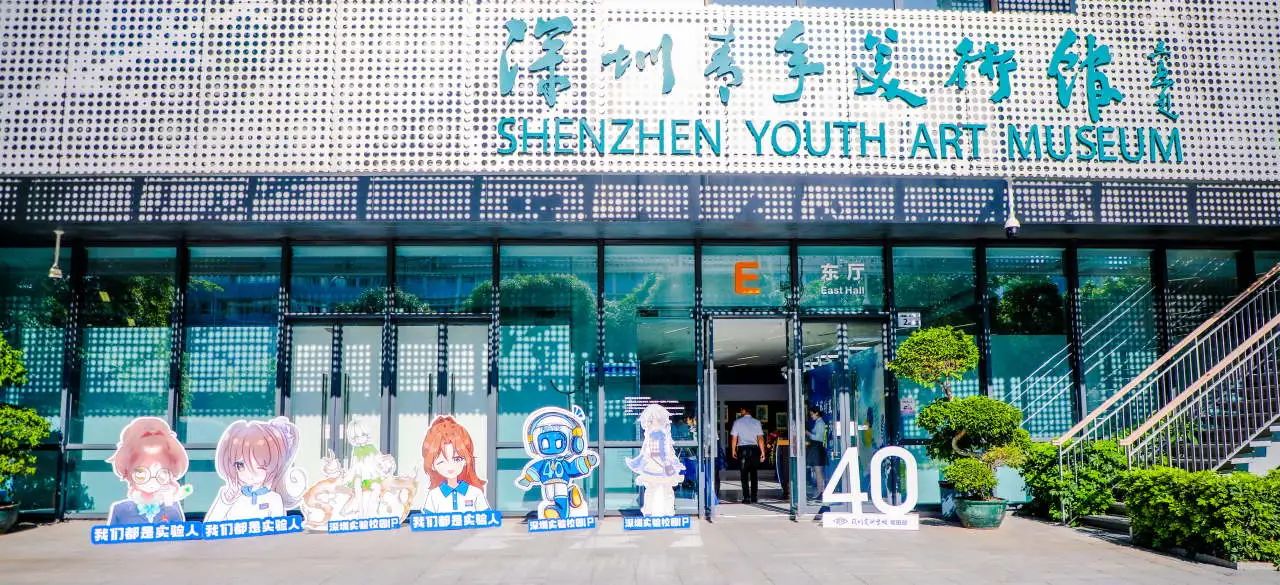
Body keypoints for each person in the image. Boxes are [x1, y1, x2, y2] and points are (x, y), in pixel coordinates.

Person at [206, 417, 306, 521]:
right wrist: (225, 502)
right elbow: (210, 526)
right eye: (240, 465)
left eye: (260, 466)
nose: (249, 474)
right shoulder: (230, 496)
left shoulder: (273, 499)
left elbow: (278, 529)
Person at [106, 417, 191, 525]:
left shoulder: (172, 507)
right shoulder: (120, 510)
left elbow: (178, 531)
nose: (152, 481)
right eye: (142, 474)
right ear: (129, 473)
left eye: (161, 475)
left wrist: (168, 502)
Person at [420, 415, 490, 513]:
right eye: (441, 462)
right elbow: (428, 520)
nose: (450, 466)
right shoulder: (434, 495)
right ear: (433, 465)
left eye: (457, 459)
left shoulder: (475, 493)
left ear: (466, 460)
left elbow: (487, 518)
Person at [729, 406, 765, 504]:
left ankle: (746, 497)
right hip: (754, 450)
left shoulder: (737, 422)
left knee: (744, 475)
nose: (740, 411)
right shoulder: (756, 422)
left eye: (741, 410)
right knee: (754, 474)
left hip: (743, 450)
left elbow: (734, 438)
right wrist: (762, 452)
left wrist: (733, 450)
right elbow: (760, 438)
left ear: (745, 410)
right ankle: (754, 496)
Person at [806, 406, 829, 502]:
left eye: (812, 414)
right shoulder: (818, 423)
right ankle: (821, 492)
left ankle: (821, 492)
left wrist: (808, 433)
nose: (811, 416)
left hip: (818, 448)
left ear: (817, 413)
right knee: (818, 472)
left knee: (818, 472)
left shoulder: (820, 423)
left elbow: (818, 438)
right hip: (817, 448)